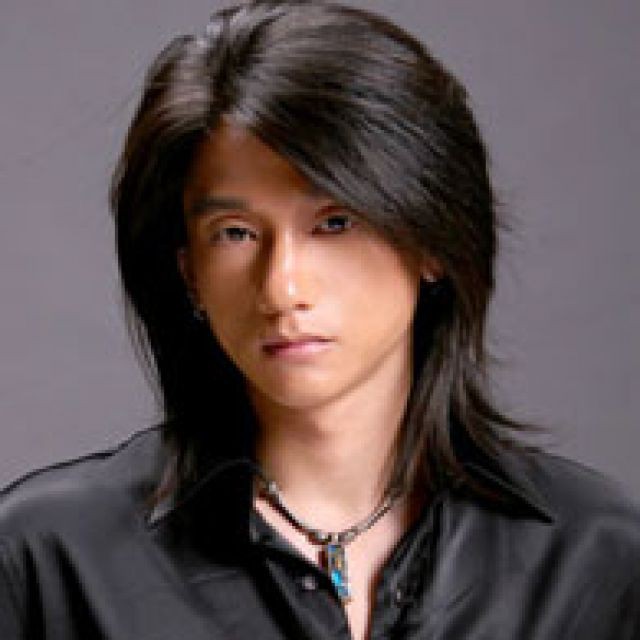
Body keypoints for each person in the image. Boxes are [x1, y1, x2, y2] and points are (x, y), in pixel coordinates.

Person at [1, 1, 639, 638]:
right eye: (235, 232)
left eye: (334, 223)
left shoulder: (598, 558)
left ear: (432, 240)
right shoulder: (46, 560)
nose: (283, 288)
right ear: (189, 270)